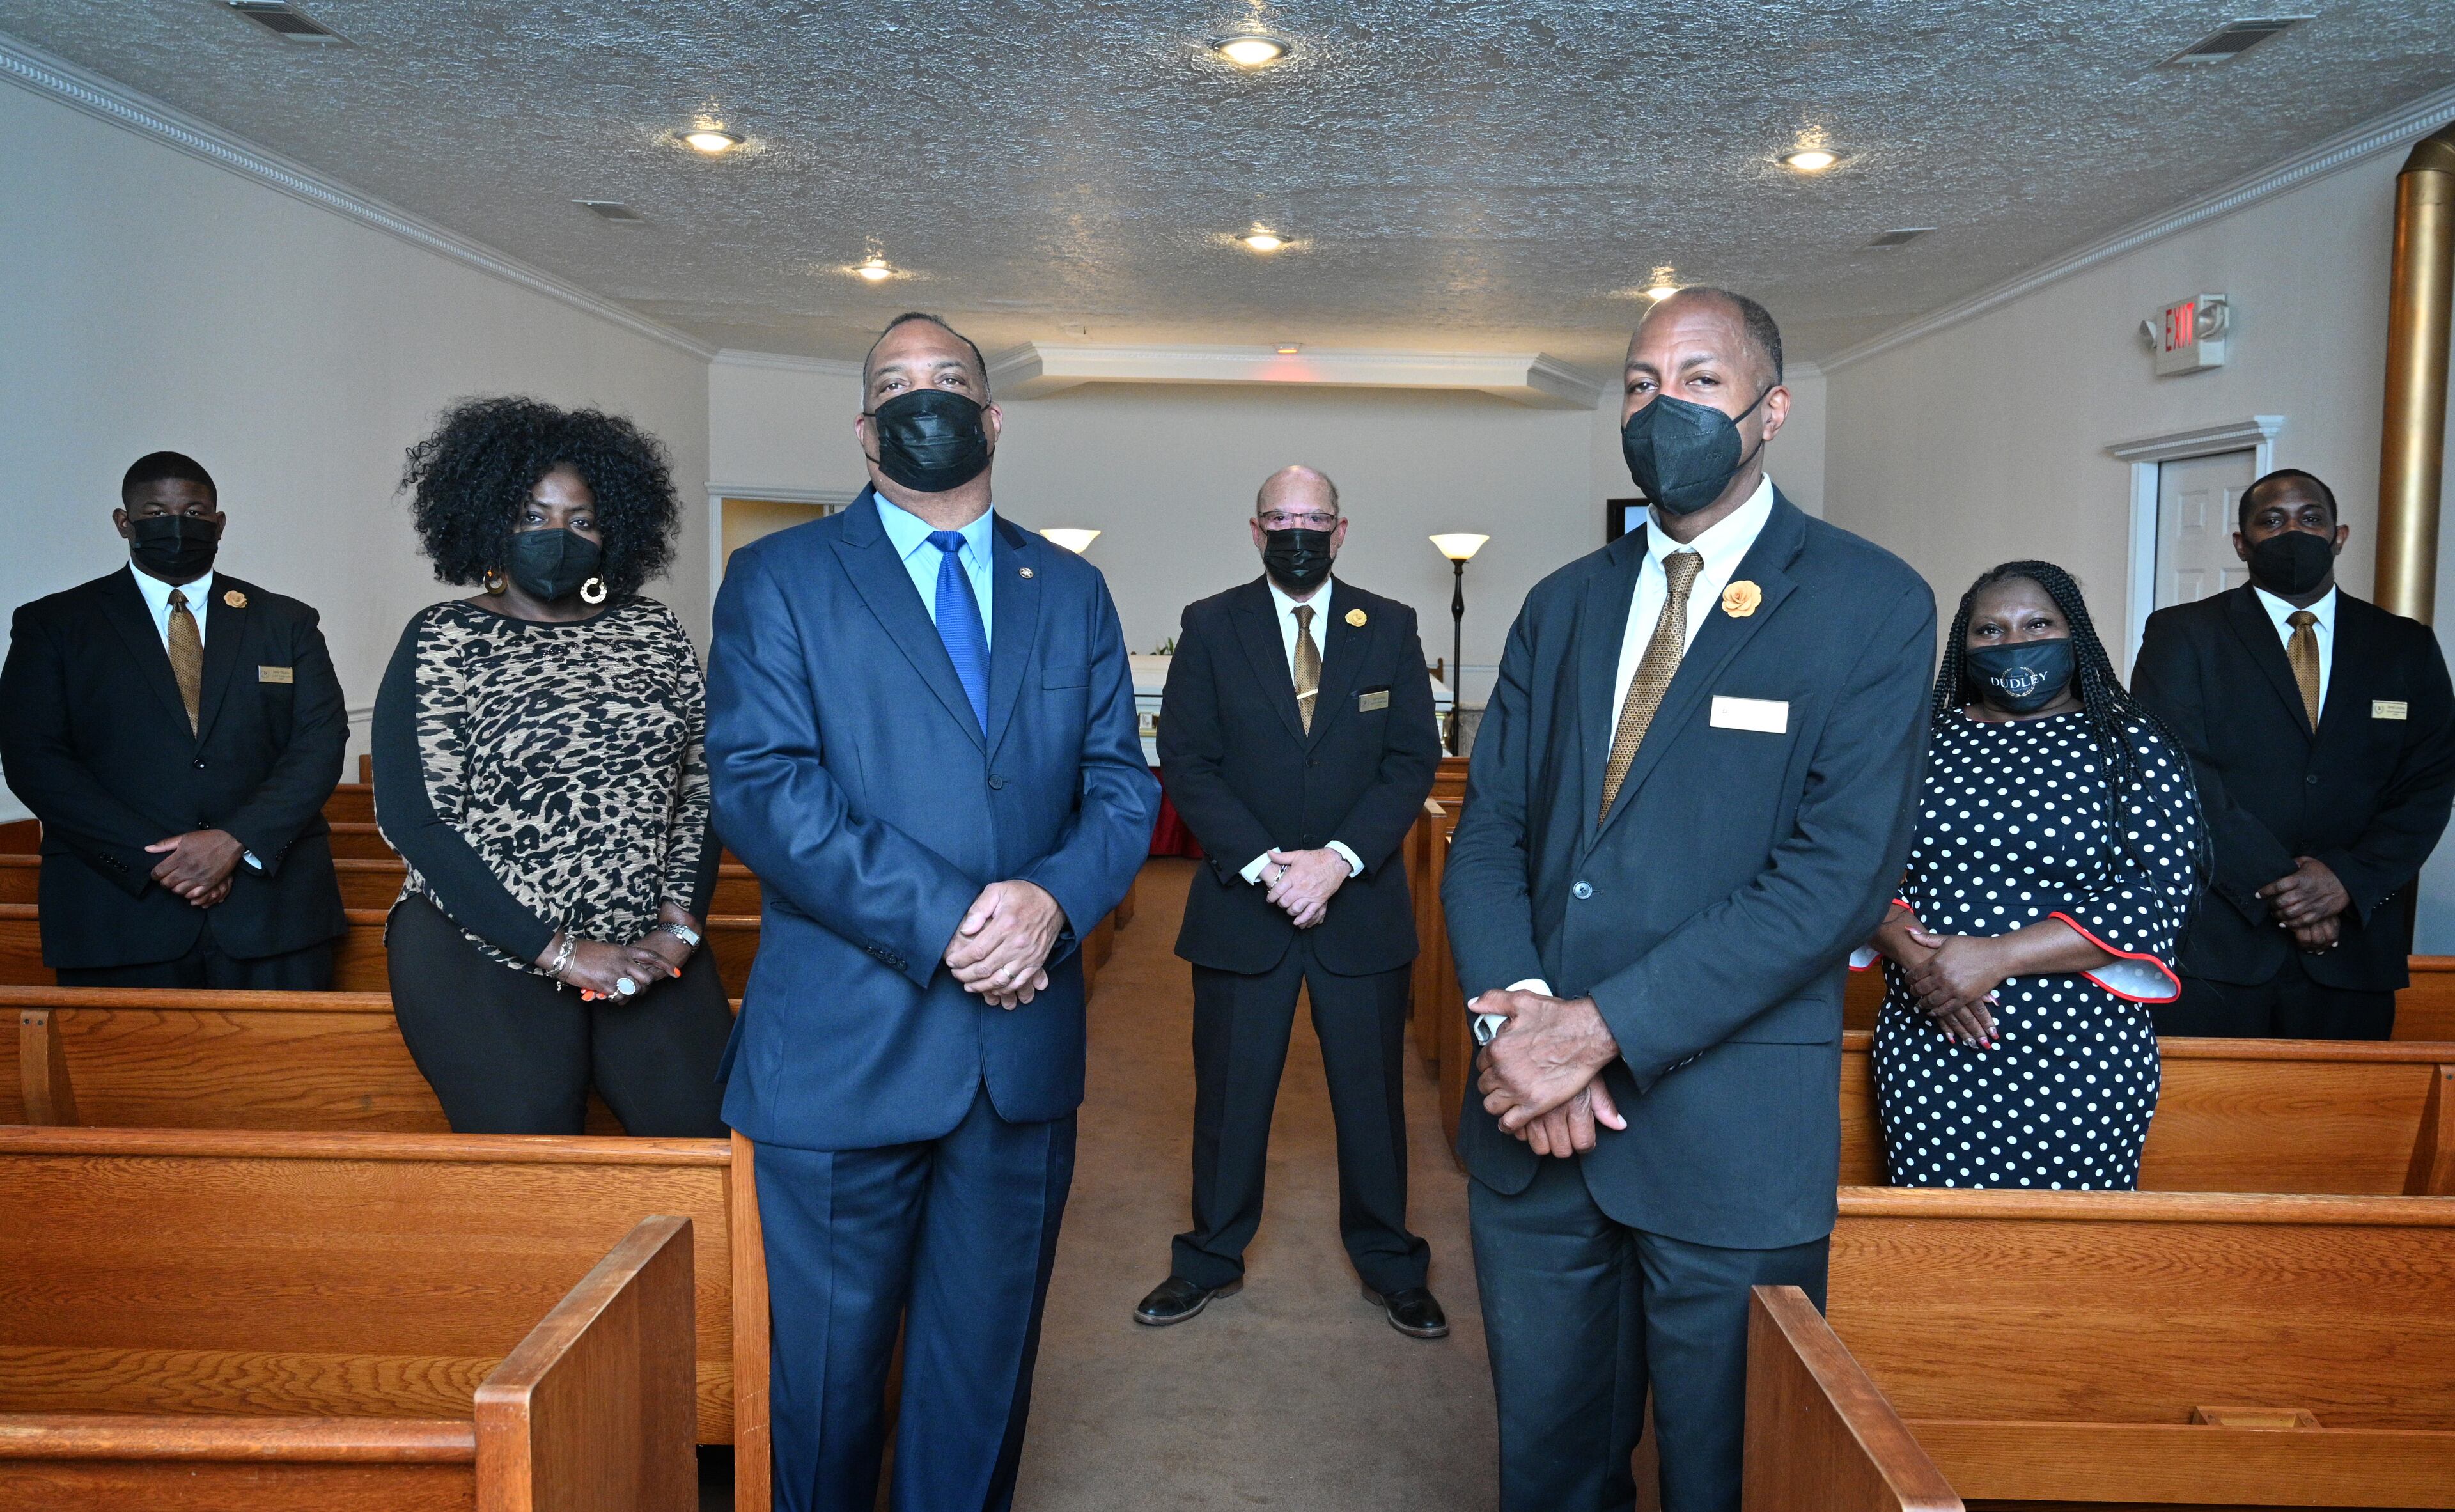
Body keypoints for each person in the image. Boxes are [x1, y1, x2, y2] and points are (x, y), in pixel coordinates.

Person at [1441, 287, 1934, 1512]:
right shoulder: (1561, 604)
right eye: (1642, 383)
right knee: (1550, 1470)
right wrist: (1522, 1032)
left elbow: (1835, 881)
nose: (1666, 406)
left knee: (1729, 1478)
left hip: (1727, 1137)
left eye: (1701, 381)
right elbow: (1492, 831)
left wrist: (1593, 1033)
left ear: (1770, 412)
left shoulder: (1872, 604)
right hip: (1534, 1131)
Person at [706, 312, 1156, 1512]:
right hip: (845, 1050)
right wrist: (960, 920)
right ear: (864, 432)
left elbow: (1122, 785)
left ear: (992, 418)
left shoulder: (1069, 587)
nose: (925, 399)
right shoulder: (780, 578)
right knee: (825, 1394)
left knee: (979, 1380)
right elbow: (764, 788)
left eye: (949, 381)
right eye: (896, 386)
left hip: (1017, 1058)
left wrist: (1052, 903)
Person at [1136, 465, 1446, 1336]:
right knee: (1229, 1098)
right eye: (1281, 518)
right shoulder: (1210, 624)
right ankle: (1207, 1258)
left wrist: (1339, 861)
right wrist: (1270, 866)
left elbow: (1409, 759)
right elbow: (1188, 758)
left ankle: (1392, 1262)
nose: (1297, 531)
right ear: (1255, 528)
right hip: (1246, 905)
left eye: (1314, 518)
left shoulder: (1388, 626)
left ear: (1342, 530)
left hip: (1360, 908)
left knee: (1374, 1104)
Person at [372, 398, 731, 1137]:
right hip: (482, 944)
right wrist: (558, 952)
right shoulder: (444, 636)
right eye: (534, 517)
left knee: (701, 1130)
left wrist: (678, 926)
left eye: (582, 518)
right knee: (532, 1138)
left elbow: (701, 784)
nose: (558, 535)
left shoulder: (654, 630)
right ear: (488, 524)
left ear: (614, 530)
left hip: (645, 941)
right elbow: (415, 818)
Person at [1861, 562, 2202, 1189]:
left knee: (2068, 1262)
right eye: (1989, 631)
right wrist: (1923, 962)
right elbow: (1854, 866)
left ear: (2076, 634)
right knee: (1932, 1259)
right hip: (1933, 1037)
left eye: (2037, 624)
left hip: (2083, 1054)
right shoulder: (1917, 745)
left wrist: (1997, 957)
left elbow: (2153, 896)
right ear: (1963, 648)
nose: (2014, 644)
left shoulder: (2129, 745)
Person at [0, 451, 348, 987]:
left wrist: (235, 840)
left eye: (195, 511)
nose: (177, 524)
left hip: (274, 915)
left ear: (219, 523)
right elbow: (33, 758)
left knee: (285, 1073)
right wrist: (160, 860)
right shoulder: (55, 624)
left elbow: (320, 742)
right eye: (157, 511)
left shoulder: (287, 621)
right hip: (116, 914)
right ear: (124, 521)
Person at [2132, 468, 2455, 1040]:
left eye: (2311, 518)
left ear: (2340, 534)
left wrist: (2345, 882)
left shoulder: (2404, 645)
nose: (2294, 531)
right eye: (2272, 520)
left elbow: (2427, 785)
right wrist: (2289, 891)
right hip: (2220, 949)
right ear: (2241, 542)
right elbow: (2175, 774)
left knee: (2344, 1127)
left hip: (2354, 951)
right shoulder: (2182, 634)